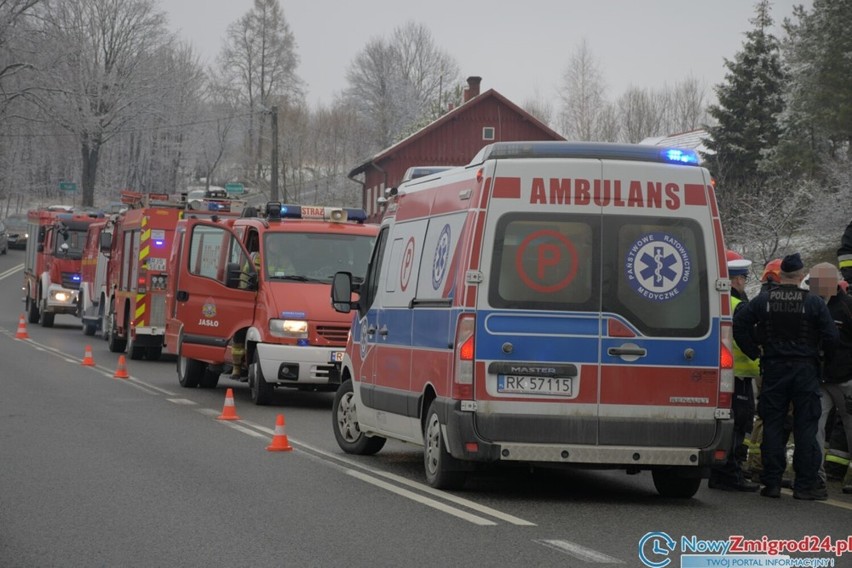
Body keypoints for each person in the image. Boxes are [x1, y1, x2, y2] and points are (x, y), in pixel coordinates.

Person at [733, 253, 838, 500]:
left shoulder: (763, 301)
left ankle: (771, 484)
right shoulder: (813, 303)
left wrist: (754, 351)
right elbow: (832, 337)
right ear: (801, 276)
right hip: (805, 370)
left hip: (774, 368)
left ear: (779, 276)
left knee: (773, 425)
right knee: (806, 426)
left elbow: (739, 325)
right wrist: (823, 362)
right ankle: (804, 486)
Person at [709, 251, 760, 491]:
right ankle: (729, 472)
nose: (744, 282)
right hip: (738, 374)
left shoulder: (714, 299)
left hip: (719, 373)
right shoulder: (739, 305)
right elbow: (746, 337)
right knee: (739, 423)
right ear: (736, 279)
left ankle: (722, 471)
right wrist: (758, 354)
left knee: (725, 420)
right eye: (743, 277)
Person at [808, 263, 852, 495]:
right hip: (821, 377)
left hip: (845, 378)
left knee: (850, 427)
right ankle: (816, 474)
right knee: (815, 426)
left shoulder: (847, 306)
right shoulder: (814, 305)